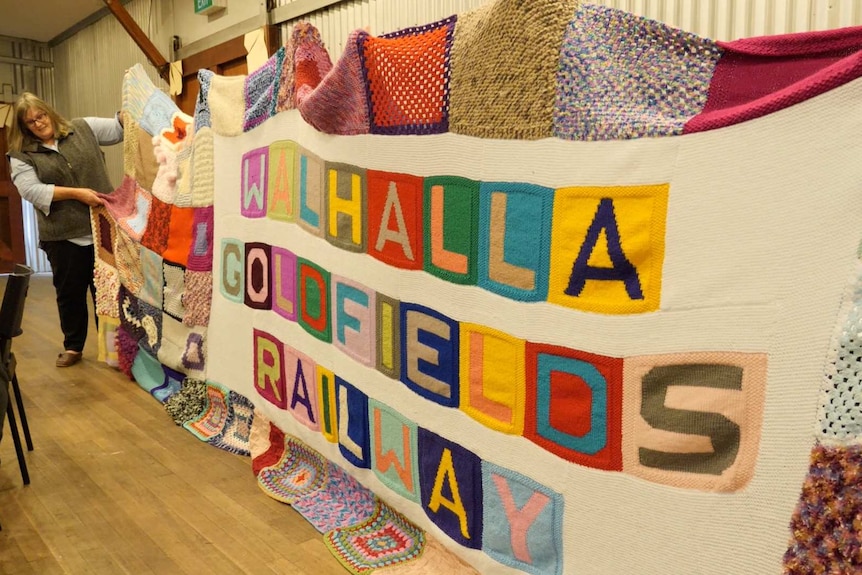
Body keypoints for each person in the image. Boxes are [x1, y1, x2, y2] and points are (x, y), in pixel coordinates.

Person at [6, 92, 123, 367]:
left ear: (49, 112)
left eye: (40, 115)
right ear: (24, 128)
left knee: (107, 293)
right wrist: (76, 193)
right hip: (62, 237)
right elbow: (32, 191)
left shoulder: (82, 128)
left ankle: (114, 350)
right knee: (70, 294)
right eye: (30, 122)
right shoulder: (21, 156)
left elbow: (118, 128)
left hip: (102, 229)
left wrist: (129, 107)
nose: (38, 123)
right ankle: (73, 346)